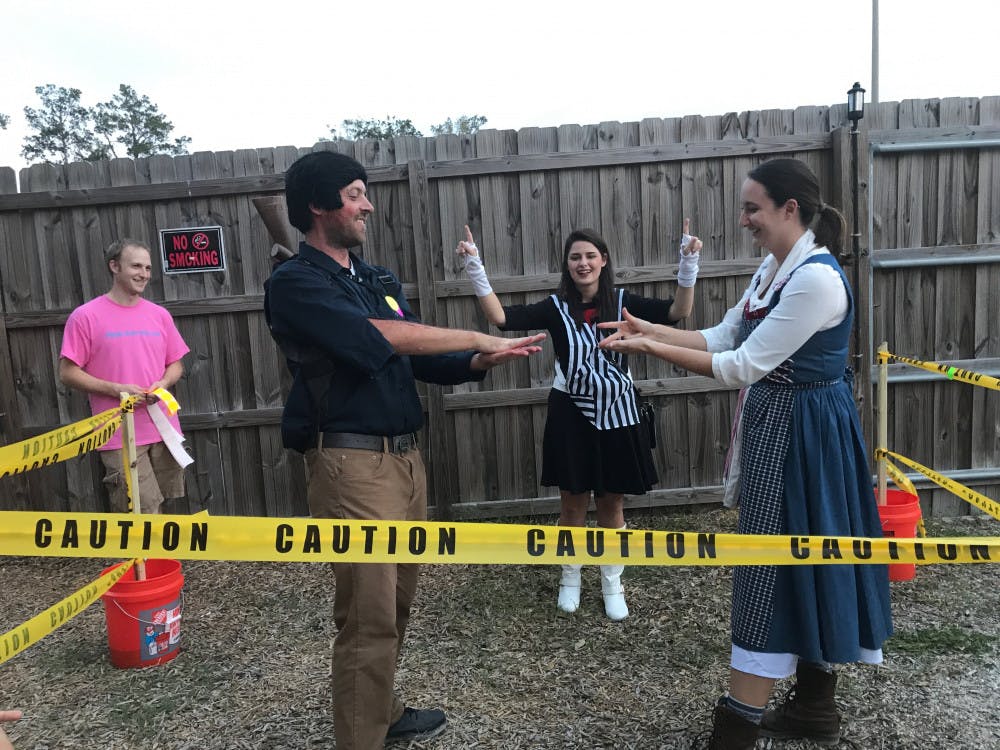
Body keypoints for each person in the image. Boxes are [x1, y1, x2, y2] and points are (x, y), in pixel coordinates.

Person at [598, 158, 892, 749]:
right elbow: (724, 336)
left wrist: (651, 347)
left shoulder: (815, 279)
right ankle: (814, 706)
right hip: (781, 427)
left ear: (790, 210)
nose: (744, 219)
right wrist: (647, 330)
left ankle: (737, 728)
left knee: (775, 561)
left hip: (808, 433)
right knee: (796, 552)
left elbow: (742, 366)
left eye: (753, 207)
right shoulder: (774, 267)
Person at [264, 150, 545, 750]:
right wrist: (474, 332)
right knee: (367, 616)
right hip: (350, 465)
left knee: (393, 604)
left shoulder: (373, 278)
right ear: (318, 205)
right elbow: (374, 340)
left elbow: (415, 350)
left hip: (405, 461)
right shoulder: (295, 283)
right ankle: (361, 739)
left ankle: (382, 712)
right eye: (355, 193)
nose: (367, 205)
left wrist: (476, 359)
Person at [456, 222, 702, 620]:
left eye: (590, 256)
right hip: (571, 412)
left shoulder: (625, 302)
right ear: (567, 265)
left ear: (603, 261)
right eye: (575, 257)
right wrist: (475, 266)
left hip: (619, 413)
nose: (583, 263)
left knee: (612, 500)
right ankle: (569, 577)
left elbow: (678, 312)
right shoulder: (554, 308)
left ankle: (612, 582)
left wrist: (688, 261)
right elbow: (502, 318)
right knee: (572, 502)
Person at [59, 239, 191, 514]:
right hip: (118, 433)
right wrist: (116, 389)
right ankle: (140, 558)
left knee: (159, 506)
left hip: (163, 429)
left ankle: (153, 559)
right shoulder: (85, 317)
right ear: (114, 266)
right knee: (139, 511)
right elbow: (67, 373)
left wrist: (164, 383)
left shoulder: (159, 315)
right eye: (136, 266)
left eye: (148, 267)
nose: (144, 274)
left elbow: (176, 363)